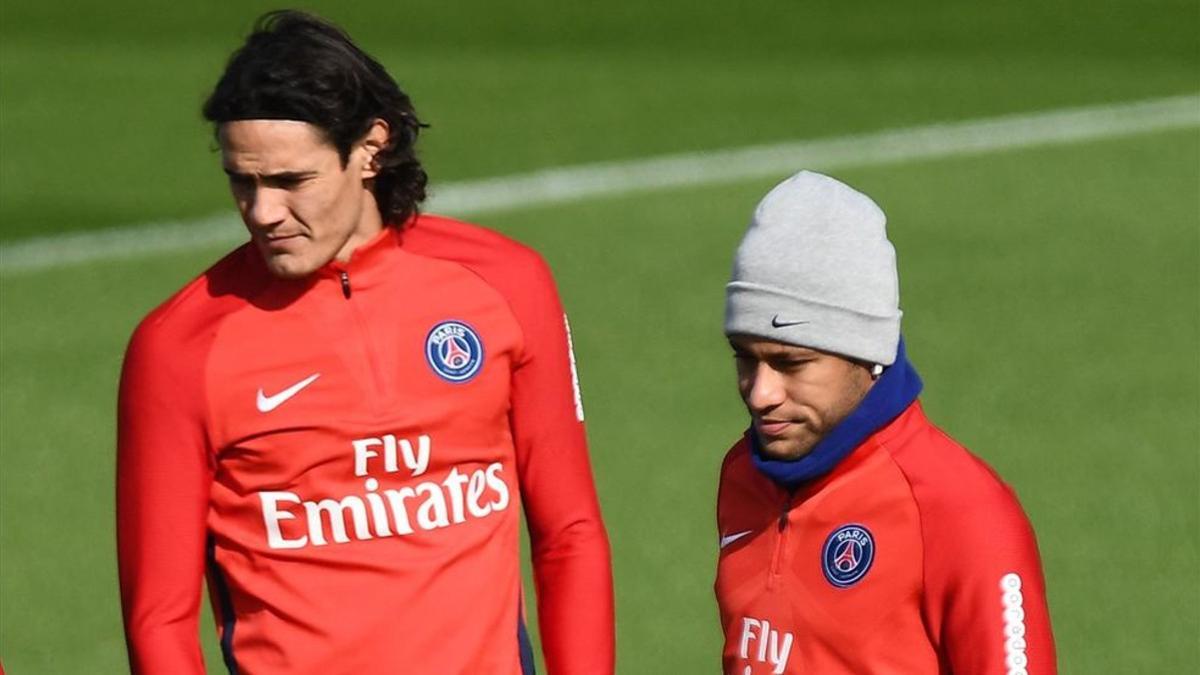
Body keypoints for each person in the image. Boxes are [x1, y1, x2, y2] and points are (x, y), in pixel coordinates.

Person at [116, 11, 613, 674]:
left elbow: (569, 534)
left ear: (370, 149)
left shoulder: (507, 286)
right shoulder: (178, 347)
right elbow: (160, 615)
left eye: (292, 181)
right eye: (243, 180)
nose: (263, 212)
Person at [714, 171, 1056, 674]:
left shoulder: (960, 512)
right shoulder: (743, 474)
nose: (760, 393)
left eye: (791, 363)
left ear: (865, 354)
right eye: (745, 358)